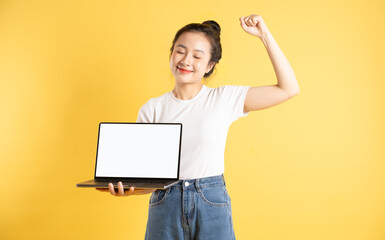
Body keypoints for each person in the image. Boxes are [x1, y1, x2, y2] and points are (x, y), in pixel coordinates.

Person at [97, 14, 299, 239]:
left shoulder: (224, 98)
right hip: (165, 203)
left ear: (210, 65)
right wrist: (128, 190)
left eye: (197, 56)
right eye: (180, 51)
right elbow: (150, 181)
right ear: (172, 53)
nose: (185, 61)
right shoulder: (151, 109)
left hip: (211, 201)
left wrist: (264, 35)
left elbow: (288, 89)